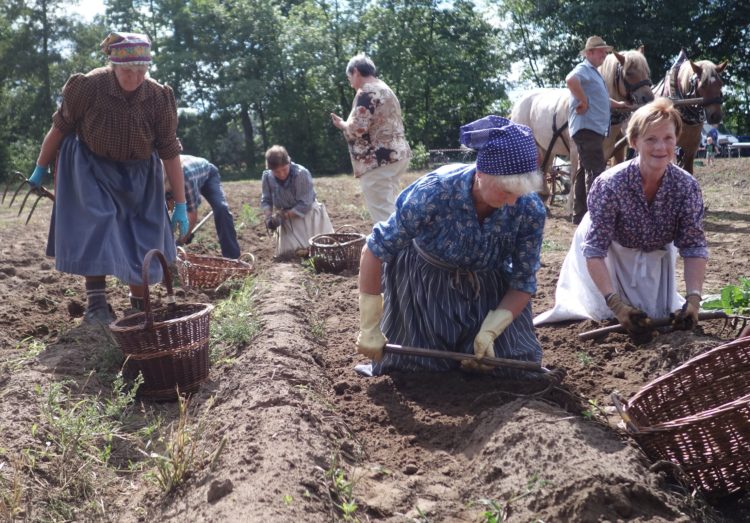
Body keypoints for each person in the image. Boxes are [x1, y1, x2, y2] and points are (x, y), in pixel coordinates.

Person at [356, 115, 546, 376]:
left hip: (487, 288)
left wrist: (492, 328)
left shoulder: (530, 209)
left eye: (520, 194)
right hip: (424, 284)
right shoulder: (434, 192)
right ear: (481, 174)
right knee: (414, 369)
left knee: (506, 367)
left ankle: (483, 335)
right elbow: (374, 250)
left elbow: (524, 281)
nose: (513, 202)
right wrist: (369, 326)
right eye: (506, 191)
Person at [27, 32, 188, 323]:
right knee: (100, 221)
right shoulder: (89, 86)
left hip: (140, 172)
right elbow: (59, 128)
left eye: (141, 71)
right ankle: (97, 303)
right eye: (128, 71)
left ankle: (140, 303)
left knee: (143, 235)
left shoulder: (158, 97)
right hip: (92, 166)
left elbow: (169, 151)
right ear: (113, 65)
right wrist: (40, 168)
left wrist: (180, 203)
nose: (135, 78)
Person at [535, 98, 708, 338]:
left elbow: (694, 247)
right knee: (601, 315)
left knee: (654, 315)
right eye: (651, 139)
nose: (661, 147)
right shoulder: (610, 184)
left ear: (676, 139)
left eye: (668, 138)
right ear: (634, 142)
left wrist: (694, 300)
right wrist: (614, 304)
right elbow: (595, 250)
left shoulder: (686, 187)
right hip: (608, 255)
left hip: (655, 257)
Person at [330, 53, 411, 225]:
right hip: (397, 155)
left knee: (382, 213)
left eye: (349, 77)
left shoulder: (366, 91)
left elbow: (357, 128)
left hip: (377, 160)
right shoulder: (386, 89)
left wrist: (343, 124)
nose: (350, 82)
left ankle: (393, 249)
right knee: (390, 206)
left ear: (356, 72)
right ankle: (404, 246)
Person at [567, 36, 631, 224]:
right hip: (587, 127)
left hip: (591, 128)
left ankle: (580, 215)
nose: (604, 55)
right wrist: (583, 101)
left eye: (605, 51)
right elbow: (570, 80)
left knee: (584, 170)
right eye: (601, 51)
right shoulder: (584, 69)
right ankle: (596, 216)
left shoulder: (594, 73)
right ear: (589, 53)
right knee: (596, 170)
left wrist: (617, 104)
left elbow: (601, 98)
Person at [261, 145, 333, 258]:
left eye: (284, 169)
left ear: (289, 162)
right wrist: (269, 217)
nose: (281, 174)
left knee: (318, 251)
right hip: (285, 218)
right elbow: (266, 200)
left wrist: (283, 216)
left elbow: (305, 204)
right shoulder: (267, 177)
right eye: (276, 172)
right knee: (289, 255)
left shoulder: (301, 174)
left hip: (307, 215)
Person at [165, 153, 241, 259]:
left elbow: (191, 213)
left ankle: (232, 257)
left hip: (207, 175)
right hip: (175, 180)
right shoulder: (159, 178)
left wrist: (181, 241)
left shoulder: (185, 177)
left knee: (221, 208)